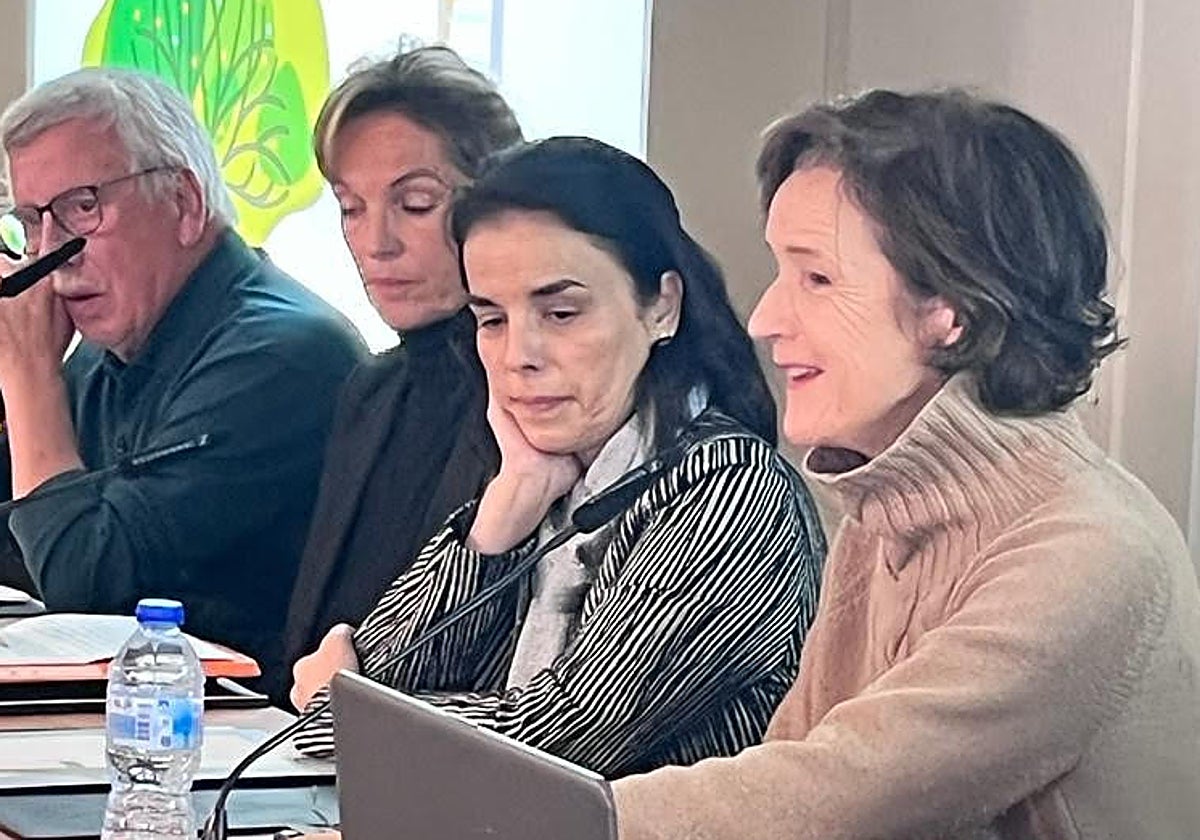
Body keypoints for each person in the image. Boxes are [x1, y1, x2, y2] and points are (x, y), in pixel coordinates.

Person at [611, 89, 1200, 838]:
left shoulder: (1090, 551)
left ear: (952, 310)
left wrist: (565, 818)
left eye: (816, 279)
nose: (764, 319)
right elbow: (795, 766)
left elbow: (834, 800)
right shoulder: (885, 506)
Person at [289, 137, 826, 777]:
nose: (520, 355)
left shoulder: (732, 490)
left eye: (561, 313)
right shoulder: (555, 472)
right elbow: (379, 673)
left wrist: (342, 714)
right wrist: (502, 513)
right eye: (492, 320)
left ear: (662, 306)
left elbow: (552, 744)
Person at [0, 68, 365, 683]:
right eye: (32, 222)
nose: (50, 257)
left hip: (253, 732)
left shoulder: (281, 355)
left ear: (184, 204)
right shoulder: (108, 352)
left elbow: (85, 587)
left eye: (82, 208)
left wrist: (30, 376)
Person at [279, 45, 522, 695]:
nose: (375, 243)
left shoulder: (534, 396)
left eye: (415, 204)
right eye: (350, 208)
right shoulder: (372, 390)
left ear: (495, 202)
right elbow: (313, 639)